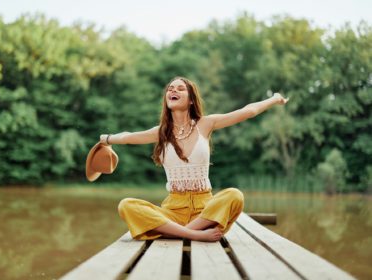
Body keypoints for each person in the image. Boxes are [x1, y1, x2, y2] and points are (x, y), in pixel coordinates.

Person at [99, 76, 289, 242]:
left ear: (191, 100)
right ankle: (193, 234)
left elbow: (249, 111)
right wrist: (106, 139)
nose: (173, 90)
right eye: (170, 89)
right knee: (127, 205)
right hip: (172, 210)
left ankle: (175, 233)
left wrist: (273, 99)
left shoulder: (205, 124)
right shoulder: (161, 132)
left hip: (205, 211)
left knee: (234, 196)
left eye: (180, 88)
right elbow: (127, 137)